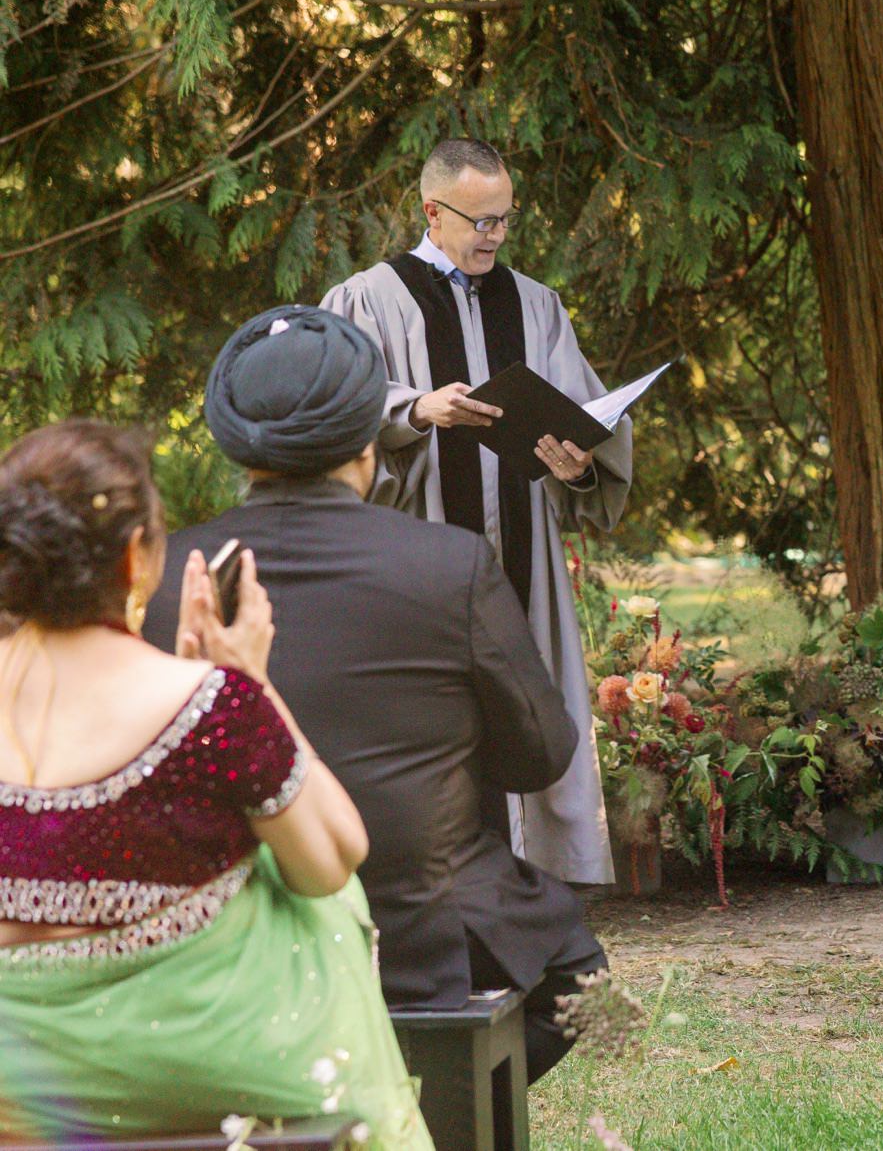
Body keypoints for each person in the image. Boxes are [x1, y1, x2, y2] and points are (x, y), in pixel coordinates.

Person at [141, 306, 607, 1084]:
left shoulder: (166, 574)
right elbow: (541, 754)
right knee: (577, 972)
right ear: (367, 439)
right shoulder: (448, 564)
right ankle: (430, 1112)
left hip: (218, 929)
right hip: (424, 932)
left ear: (235, 443)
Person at [0, 421, 431, 1146]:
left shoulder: (201, 705)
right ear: (137, 556)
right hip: (208, 1077)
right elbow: (333, 860)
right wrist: (249, 682)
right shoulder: (212, 707)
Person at [321, 137, 632, 885]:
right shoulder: (368, 298)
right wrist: (416, 407)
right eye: (479, 220)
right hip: (417, 544)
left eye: (505, 219)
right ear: (432, 211)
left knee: (526, 697)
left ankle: (536, 871)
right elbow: (334, 410)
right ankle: (423, 868)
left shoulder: (534, 303)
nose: (494, 234)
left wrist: (579, 461)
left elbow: (583, 413)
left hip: (520, 549)